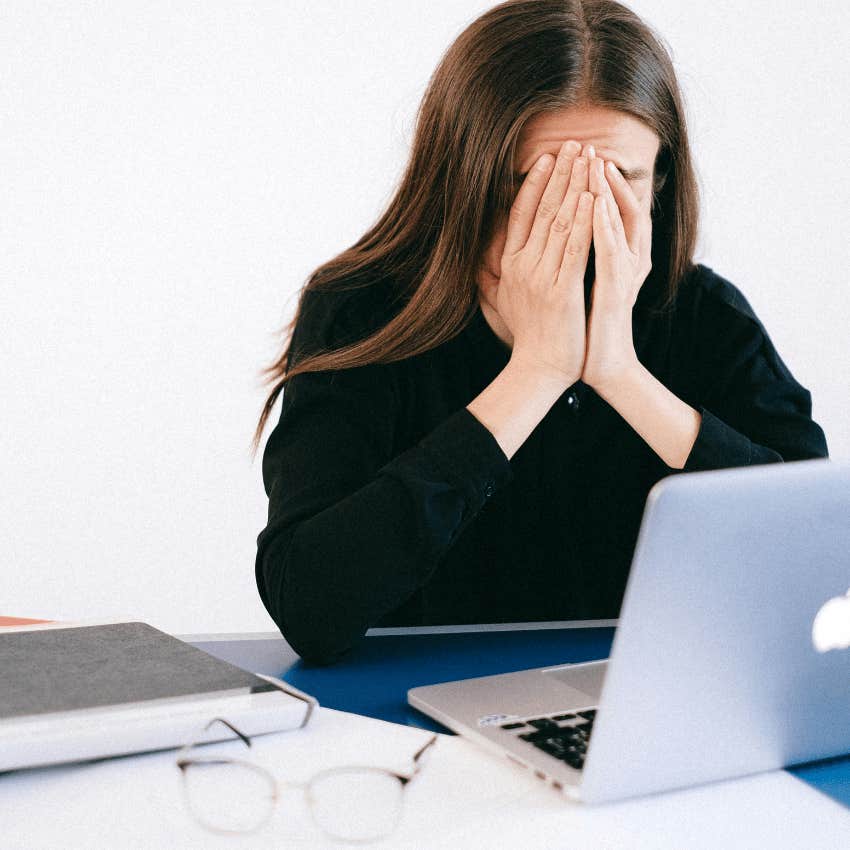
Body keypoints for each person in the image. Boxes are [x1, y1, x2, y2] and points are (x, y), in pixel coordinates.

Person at [249, 0, 829, 665]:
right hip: (412, 717)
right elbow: (309, 604)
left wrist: (620, 374)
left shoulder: (706, 317)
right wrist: (535, 373)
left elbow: (813, 568)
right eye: (537, 186)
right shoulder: (362, 310)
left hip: (640, 699)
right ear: (462, 179)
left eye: (620, 183)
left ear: (660, 181)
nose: (576, 220)